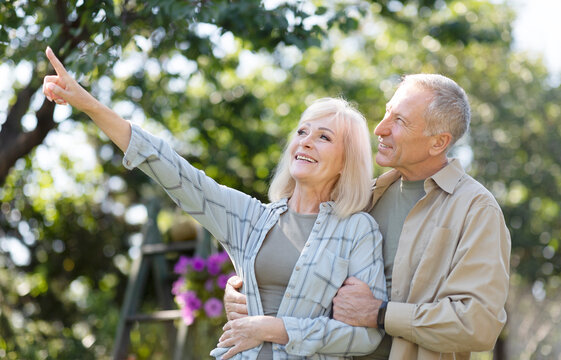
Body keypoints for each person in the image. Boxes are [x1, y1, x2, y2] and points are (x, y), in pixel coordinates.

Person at [42, 47, 387, 360]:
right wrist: (88, 104)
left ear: (346, 161)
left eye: (323, 137)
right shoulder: (252, 218)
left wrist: (274, 328)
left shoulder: (358, 230)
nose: (306, 142)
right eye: (302, 132)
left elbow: (365, 336)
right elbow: (171, 169)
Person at [224, 74, 511, 360]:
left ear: (438, 143)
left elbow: (478, 324)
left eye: (399, 121)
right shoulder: (360, 198)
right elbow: (297, 266)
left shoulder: (476, 210)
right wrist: (243, 290)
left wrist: (380, 314)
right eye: (387, 112)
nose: (380, 129)